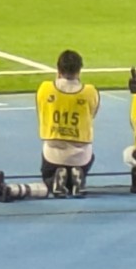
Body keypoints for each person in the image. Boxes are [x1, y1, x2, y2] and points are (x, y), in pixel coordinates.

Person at [33, 50, 100, 197]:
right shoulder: (90, 92)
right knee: (88, 157)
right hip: (81, 151)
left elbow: (41, 110)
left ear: (58, 69)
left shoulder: (45, 88)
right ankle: (76, 176)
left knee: (47, 177)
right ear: (79, 70)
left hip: (54, 150)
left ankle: (56, 180)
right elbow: (92, 114)